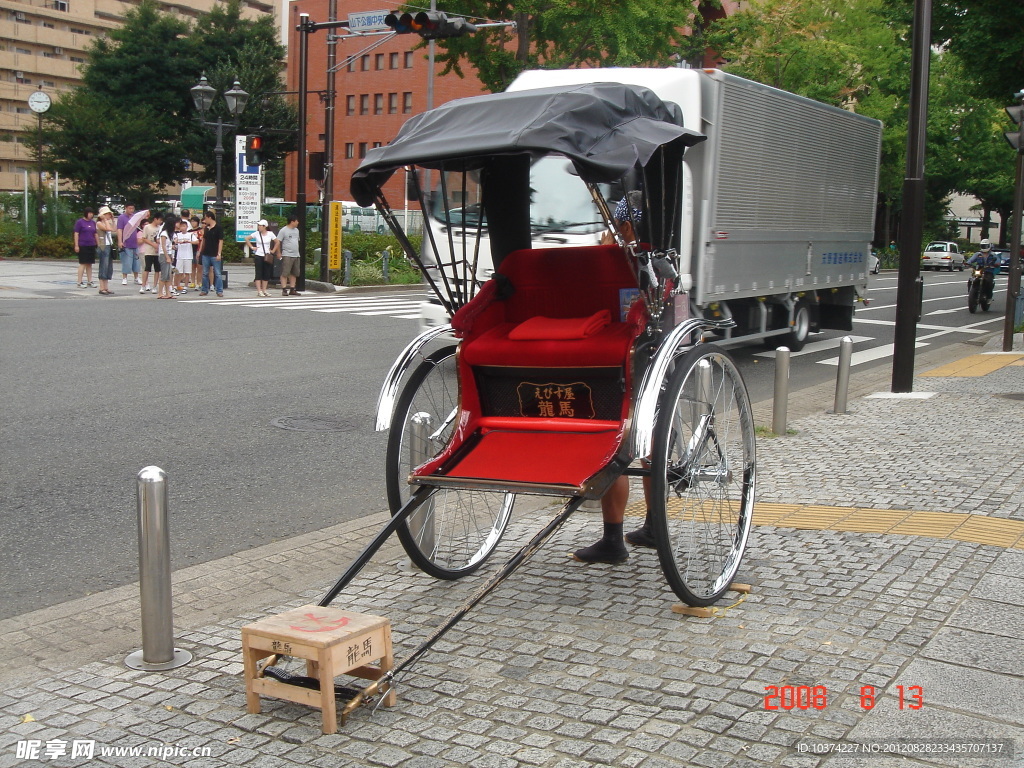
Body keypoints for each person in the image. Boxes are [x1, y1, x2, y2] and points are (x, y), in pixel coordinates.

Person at [574, 193, 651, 565]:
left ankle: (613, 538)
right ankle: (652, 525)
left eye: (617, 225)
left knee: (616, 443)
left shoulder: (611, 257)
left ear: (624, 225)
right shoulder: (658, 260)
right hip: (649, 351)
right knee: (652, 446)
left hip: (622, 354)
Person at [245, 219, 277, 297]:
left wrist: (273, 250)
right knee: (258, 273)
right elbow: (247, 238)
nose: (259, 227)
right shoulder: (256, 233)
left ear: (265, 226)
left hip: (267, 255)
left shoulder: (270, 234)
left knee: (266, 273)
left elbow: (277, 242)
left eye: (260, 225)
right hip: (258, 255)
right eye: (258, 225)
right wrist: (252, 247)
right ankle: (259, 291)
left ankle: (264, 290)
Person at [199, 210, 224, 297]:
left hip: (215, 253)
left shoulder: (218, 228)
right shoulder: (206, 228)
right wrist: (200, 251)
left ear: (210, 218)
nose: (205, 221)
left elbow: (221, 241)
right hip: (206, 253)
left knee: (217, 273)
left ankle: (219, 290)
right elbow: (204, 240)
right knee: (205, 272)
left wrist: (219, 253)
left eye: (206, 218)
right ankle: (204, 289)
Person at [967, 239, 1000, 303]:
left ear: (989, 246)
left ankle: (989, 297)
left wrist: (996, 264)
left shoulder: (993, 255)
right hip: (979, 270)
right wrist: (967, 263)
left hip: (988, 271)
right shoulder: (978, 254)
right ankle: (970, 293)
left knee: (989, 281)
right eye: (983, 246)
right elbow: (971, 260)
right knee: (972, 279)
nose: (984, 247)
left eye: (986, 246)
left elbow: (997, 261)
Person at [72, 207, 98, 288]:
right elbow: (76, 233)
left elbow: (95, 233)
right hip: (83, 245)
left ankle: (90, 281)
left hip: (91, 244)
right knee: (82, 263)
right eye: (89, 213)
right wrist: (76, 245)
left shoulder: (93, 223)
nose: (91, 215)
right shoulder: (80, 222)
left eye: (92, 213)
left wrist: (98, 243)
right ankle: (79, 282)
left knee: (89, 264)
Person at [276, 215, 302, 296]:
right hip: (287, 254)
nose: (298, 223)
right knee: (285, 272)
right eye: (296, 221)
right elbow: (278, 242)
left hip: (296, 254)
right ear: (292, 221)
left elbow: (297, 241)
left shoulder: (296, 230)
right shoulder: (283, 230)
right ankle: (284, 289)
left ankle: (292, 289)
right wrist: (279, 253)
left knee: (294, 273)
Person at [95, 205, 117, 295]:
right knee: (103, 266)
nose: (108, 216)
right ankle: (101, 287)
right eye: (107, 214)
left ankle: (106, 287)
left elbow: (114, 229)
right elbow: (107, 229)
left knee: (108, 267)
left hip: (109, 245)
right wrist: (104, 220)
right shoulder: (99, 223)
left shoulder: (108, 222)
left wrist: (113, 219)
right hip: (103, 246)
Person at [117, 203, 141, 286]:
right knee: (126, 261)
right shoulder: (121, 218)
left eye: (132, 208)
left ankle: (136, 277)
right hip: (126, 242)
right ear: (126, 208)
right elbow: (119, 230)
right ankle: (124, 278)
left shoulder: (134, 217)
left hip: (135, 242)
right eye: (130, 208)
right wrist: (120, 241)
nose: (131, 210)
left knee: (136, 261)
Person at [138, 213, 162, 293]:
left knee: (157, 269)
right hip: (148, 251)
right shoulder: (147, 227)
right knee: (147, 269)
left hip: (158, 252)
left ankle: (154, 286)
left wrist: (157, 246)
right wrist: (153, 245)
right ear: (155, 219)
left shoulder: (160, 228)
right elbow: (144, 238)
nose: (160, 222)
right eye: (160, 220)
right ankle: (143, 285)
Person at [172, 218, 196, 295]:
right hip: (179, 256)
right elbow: (174, 243)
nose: (183, 227)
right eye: (181, 226)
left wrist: (189, 241)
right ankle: (176, 285)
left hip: (188, 256)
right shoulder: (177, 235)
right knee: (178, 272)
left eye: (184, 226)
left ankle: (186, 286)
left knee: (187, 272)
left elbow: (197, 241)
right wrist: (176, 243)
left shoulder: (190, 235)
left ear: (187, 227)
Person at [156, 215, 177, 299]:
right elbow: (163, 246)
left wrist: (171, 255)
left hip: (169, 254)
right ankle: (160, 293)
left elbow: (169, 246)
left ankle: (168, 293)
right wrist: (167, 257)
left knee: (168, 275)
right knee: (164, 275)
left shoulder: (170, 234)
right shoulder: (164, 233)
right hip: (163, 255)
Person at [189, 216, 203, 289]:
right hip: (190, 250)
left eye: (194, 221)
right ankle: (192, 282)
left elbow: (202, 241)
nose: (193, 223)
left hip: (198, 250)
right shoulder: (189, 231)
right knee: (192, 267)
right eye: (192, 221)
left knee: (199, 267)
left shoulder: (200, 231)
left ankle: (199, 282)